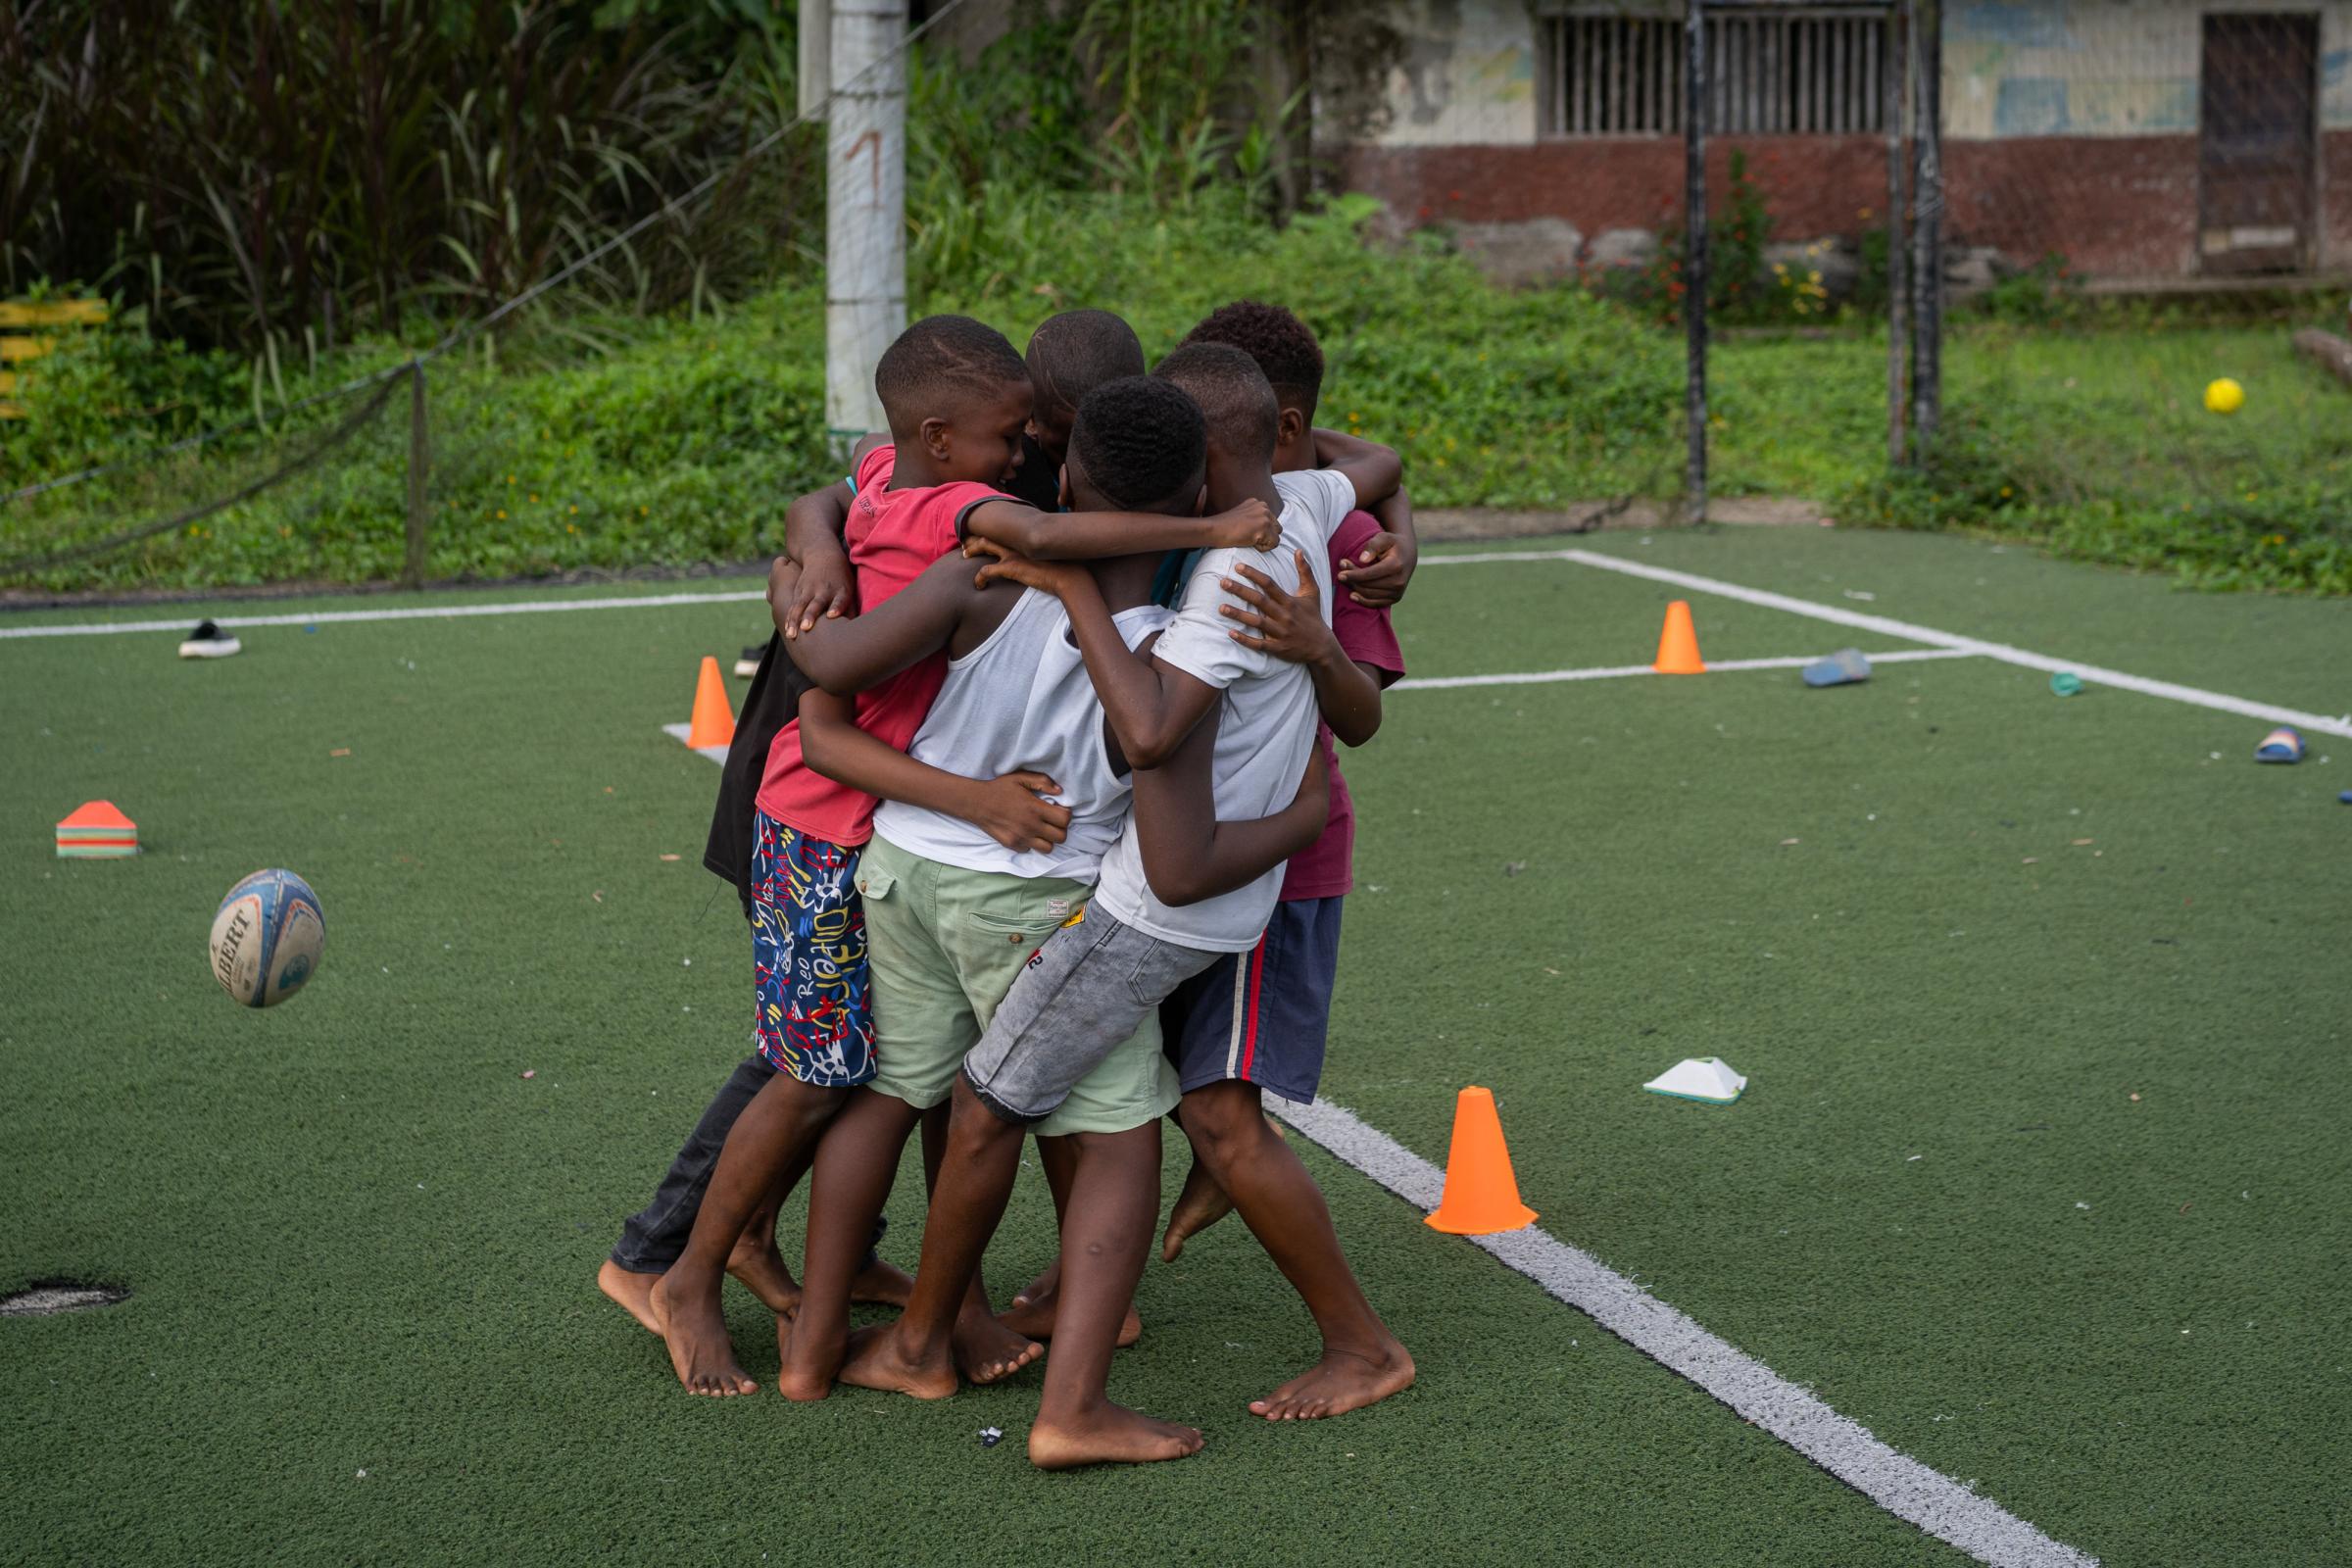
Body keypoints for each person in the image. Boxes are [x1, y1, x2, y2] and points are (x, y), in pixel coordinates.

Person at [633, 315, 1276, 1397]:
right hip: (857, 836)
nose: (1020, 455)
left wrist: (816, 538)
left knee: (893, 1089)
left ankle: (867, 1325)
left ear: (1064, 457)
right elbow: (828, 693)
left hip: (890, 852)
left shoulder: (982, 543)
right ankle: (697, 1265)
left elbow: (849, 501)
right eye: (1007, 436)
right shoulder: (1046, 576)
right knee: (831, 1081)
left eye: (1032, 438)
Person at [834, 343, 1398, 1460]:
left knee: (1008, 1110)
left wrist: (1073, 583)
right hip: (1205, 893)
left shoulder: (1226, 588)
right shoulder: (1298, 504)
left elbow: (1148, 744)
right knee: (1138, 1117)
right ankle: (995, 1350)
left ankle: (966, 1360)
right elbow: (1368, 469)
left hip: (1159, 911)